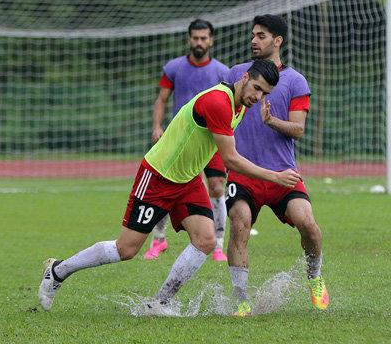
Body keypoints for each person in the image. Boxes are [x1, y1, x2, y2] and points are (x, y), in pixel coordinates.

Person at [38, 59, 301, 312]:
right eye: (256, 88)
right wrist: (275, 176)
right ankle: (58, 270)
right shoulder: (218, 101)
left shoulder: (240, 107)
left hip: (187, 180)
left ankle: (160, 303)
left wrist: (217, 174)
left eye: (264, 93)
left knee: (206, 240)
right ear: (244, 78)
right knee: (126, 249)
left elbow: (217, 149)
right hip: (158, 177)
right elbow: (231, 157)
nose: (258, 97)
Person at [224, 14, 329, 317]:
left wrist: (271, 121)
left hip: (283, 175)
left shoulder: (295, 81)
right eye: (253, 35)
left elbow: (298, 130)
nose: (254, 40)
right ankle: (242, 300)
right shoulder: (237, 74)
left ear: (277, 41)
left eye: (261, 35)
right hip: (243, 174)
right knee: (239, 224)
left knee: (308, 224)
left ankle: (315, 278)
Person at [145, 19, 230, 262]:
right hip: (179, 139)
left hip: (210, 140)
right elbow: (162, 99)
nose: (199, 42)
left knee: (216, 187)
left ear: (211, 40)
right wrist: (158, 126)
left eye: (204, 38)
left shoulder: (222, 72)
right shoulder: (174, 67)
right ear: (188, 40)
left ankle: (218, 245)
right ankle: (159, 240)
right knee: (165, 187)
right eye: (195, 37)